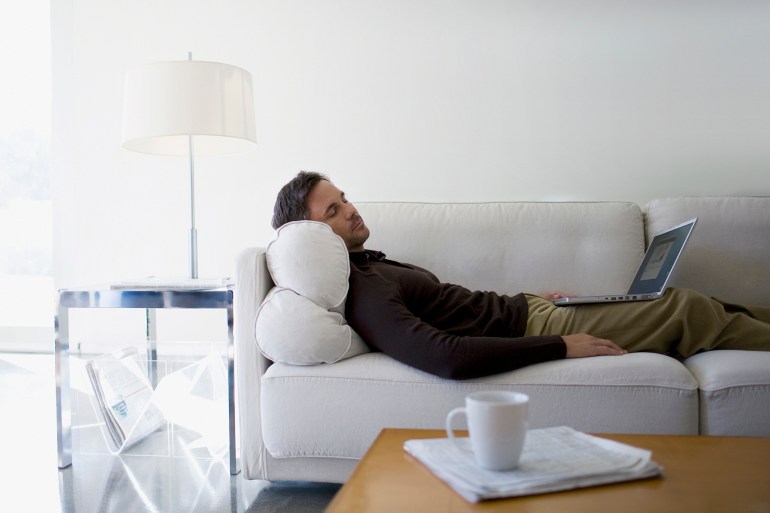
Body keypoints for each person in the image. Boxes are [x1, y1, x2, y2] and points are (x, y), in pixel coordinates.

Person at [271, 171, 770, 379]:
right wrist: (560, 344)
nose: (351, 211)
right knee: (685, 308)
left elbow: (459, 309)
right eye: (333, 212)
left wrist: (531, 299)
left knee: (694, 302)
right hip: (537, 330)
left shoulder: (370, 263)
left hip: (532, 312)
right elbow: (442, 356)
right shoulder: (362, 291)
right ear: (309, 237)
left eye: (345, 198)